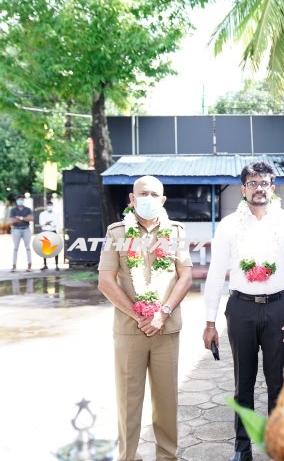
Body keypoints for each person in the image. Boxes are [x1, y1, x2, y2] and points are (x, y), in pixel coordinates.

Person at [203, 161, 284, 461]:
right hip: (241, 309)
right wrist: (210, 321)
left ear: (272, 187)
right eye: (252, 183)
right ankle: (242, 447)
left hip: (280, 310)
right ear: (243, 189)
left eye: (264, 183)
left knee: (278, 382)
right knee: (244, 383)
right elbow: (215, 274)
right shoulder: (229, 225)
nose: (259, 188)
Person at [97, 175, 193, 461]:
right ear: (132, 198)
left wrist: (162, 314)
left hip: (166, 329)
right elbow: (105, 281)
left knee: (166, 400)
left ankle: (167, 456)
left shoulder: (176, 232)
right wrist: (138, 315)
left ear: (162, 200)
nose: (148, 199)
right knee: (128, 400)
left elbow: (185, 277)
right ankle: (128, 457)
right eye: (142, 193)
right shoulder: (116, 233)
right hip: (130, 330)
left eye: (153, 194)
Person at [10, 195, 33, 272]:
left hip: (26, 229)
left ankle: (29, 264)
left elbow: (30, 218)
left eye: (21, 199)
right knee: (15, 248)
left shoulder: (28, 209)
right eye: (18, 200)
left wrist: (20, 218)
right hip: (16, 230)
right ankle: (14, 265)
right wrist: (25, 219)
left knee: (28, 248)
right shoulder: (13, 210)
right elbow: (12, 221)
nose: (20, 201)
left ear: (23, 200)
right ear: (16, 201)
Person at [39, 201, 60, 270]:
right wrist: (47, 223)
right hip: (45, 231)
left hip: (53, 231)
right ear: (46, 206)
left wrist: (47, 223)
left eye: (50, 205)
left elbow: (55, 224)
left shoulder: (55, 214)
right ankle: (45, 265)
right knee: (44, 248)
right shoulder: (42, 214)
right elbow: (41, 223)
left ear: (52, 206)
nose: (49, 207)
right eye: (48, 205)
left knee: (55, 248)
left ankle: (56, 265)